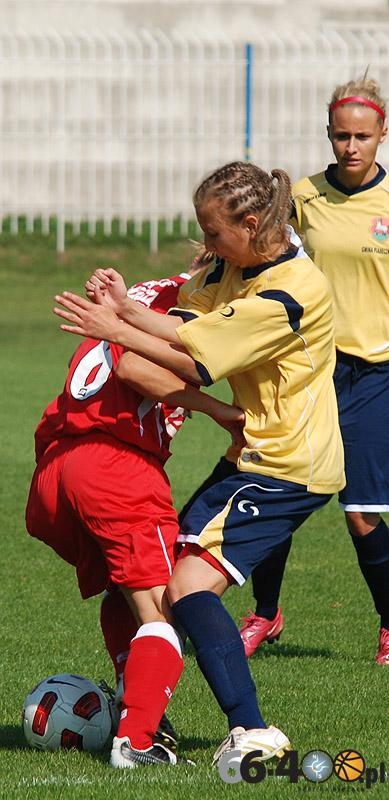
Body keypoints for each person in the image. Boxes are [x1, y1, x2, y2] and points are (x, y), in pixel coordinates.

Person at [53, 159, 345, 768]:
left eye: (213, 233)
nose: (205, 245)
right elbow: (182, 326)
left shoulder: (290, 291)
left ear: (253, 220)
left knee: (184, 587)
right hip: (251, 457)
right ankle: (147, 719)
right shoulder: (235, 267)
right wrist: (125, 309)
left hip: (287, 464)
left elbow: (193, 361)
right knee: (156, 588)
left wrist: (117, 323)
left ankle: (249, 732)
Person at [25, 262, 245, 770]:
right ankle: (137, 740)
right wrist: (217, 410)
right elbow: (132, 369)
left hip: (59, 468)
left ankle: (135, 702)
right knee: (165, 606)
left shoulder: (143, 292)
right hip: (115, 466)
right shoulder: (191, 305)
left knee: (124, 594)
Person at [237, 75, 389, 666]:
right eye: (341, 136)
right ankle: (266, 614)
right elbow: (265, 249)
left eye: (362, 136)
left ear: (382, 134)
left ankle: (386, 625)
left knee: (361, 512)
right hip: (308, 369)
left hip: (374, 374)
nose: (351, 147)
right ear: (328, 135)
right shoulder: (305, 195)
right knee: (278, 492)